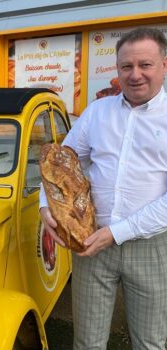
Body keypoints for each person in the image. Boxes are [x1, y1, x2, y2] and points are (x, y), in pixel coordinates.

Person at [39, 27, 167, 350]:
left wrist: (117, 232)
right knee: (87, 343)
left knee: (150, 342)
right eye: (126, 66)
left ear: (164, 65)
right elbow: (59, 163)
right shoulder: (97, 112)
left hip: (150, 246)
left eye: (145, 65)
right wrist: (45, 207)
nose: (135, 74)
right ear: (118, 70)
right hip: (91, 243)